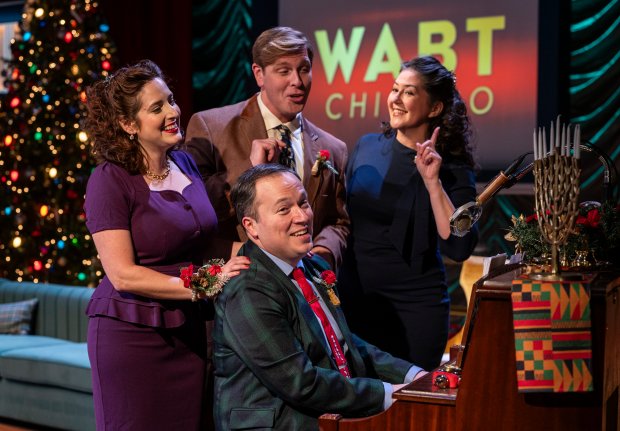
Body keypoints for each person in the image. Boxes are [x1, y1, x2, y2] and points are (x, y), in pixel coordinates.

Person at [82, 59, 249, 430]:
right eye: (156, 107)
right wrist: (202, 285)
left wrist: (259, 254)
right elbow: (123, 275)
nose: (173, 111)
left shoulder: (185, 163)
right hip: (134, 338)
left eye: (170, 100)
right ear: (128, 125)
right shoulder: (109, 181)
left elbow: (202, 243)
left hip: (191, 333)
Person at [213, 164, 426, 430]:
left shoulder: (313, 267)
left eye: (303, 203)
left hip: (328, 415)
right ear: (252, 227)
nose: (302, 217)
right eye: (284, 209)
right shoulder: (248, 289)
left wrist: (416, 377)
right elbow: (300, 383)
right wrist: (387, 394)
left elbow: (345, 342)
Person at [338, 56, 479, 371]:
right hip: (355, 306)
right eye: (394, 89)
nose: (395, 99)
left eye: (409, 92)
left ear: (434, 108)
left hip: (414, 312)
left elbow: (459, 245)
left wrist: (432, 183)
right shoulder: (366, 146)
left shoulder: (452, 168)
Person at [185, 26, 349, 270]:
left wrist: (322, 254)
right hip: (240, 283)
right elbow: (193, 214)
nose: (297, 81)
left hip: (305, 288)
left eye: (304, 69)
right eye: (284, 71)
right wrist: (253, 170)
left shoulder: (333, 148)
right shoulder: (210, 128)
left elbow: (338, 222)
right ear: (259, 74)